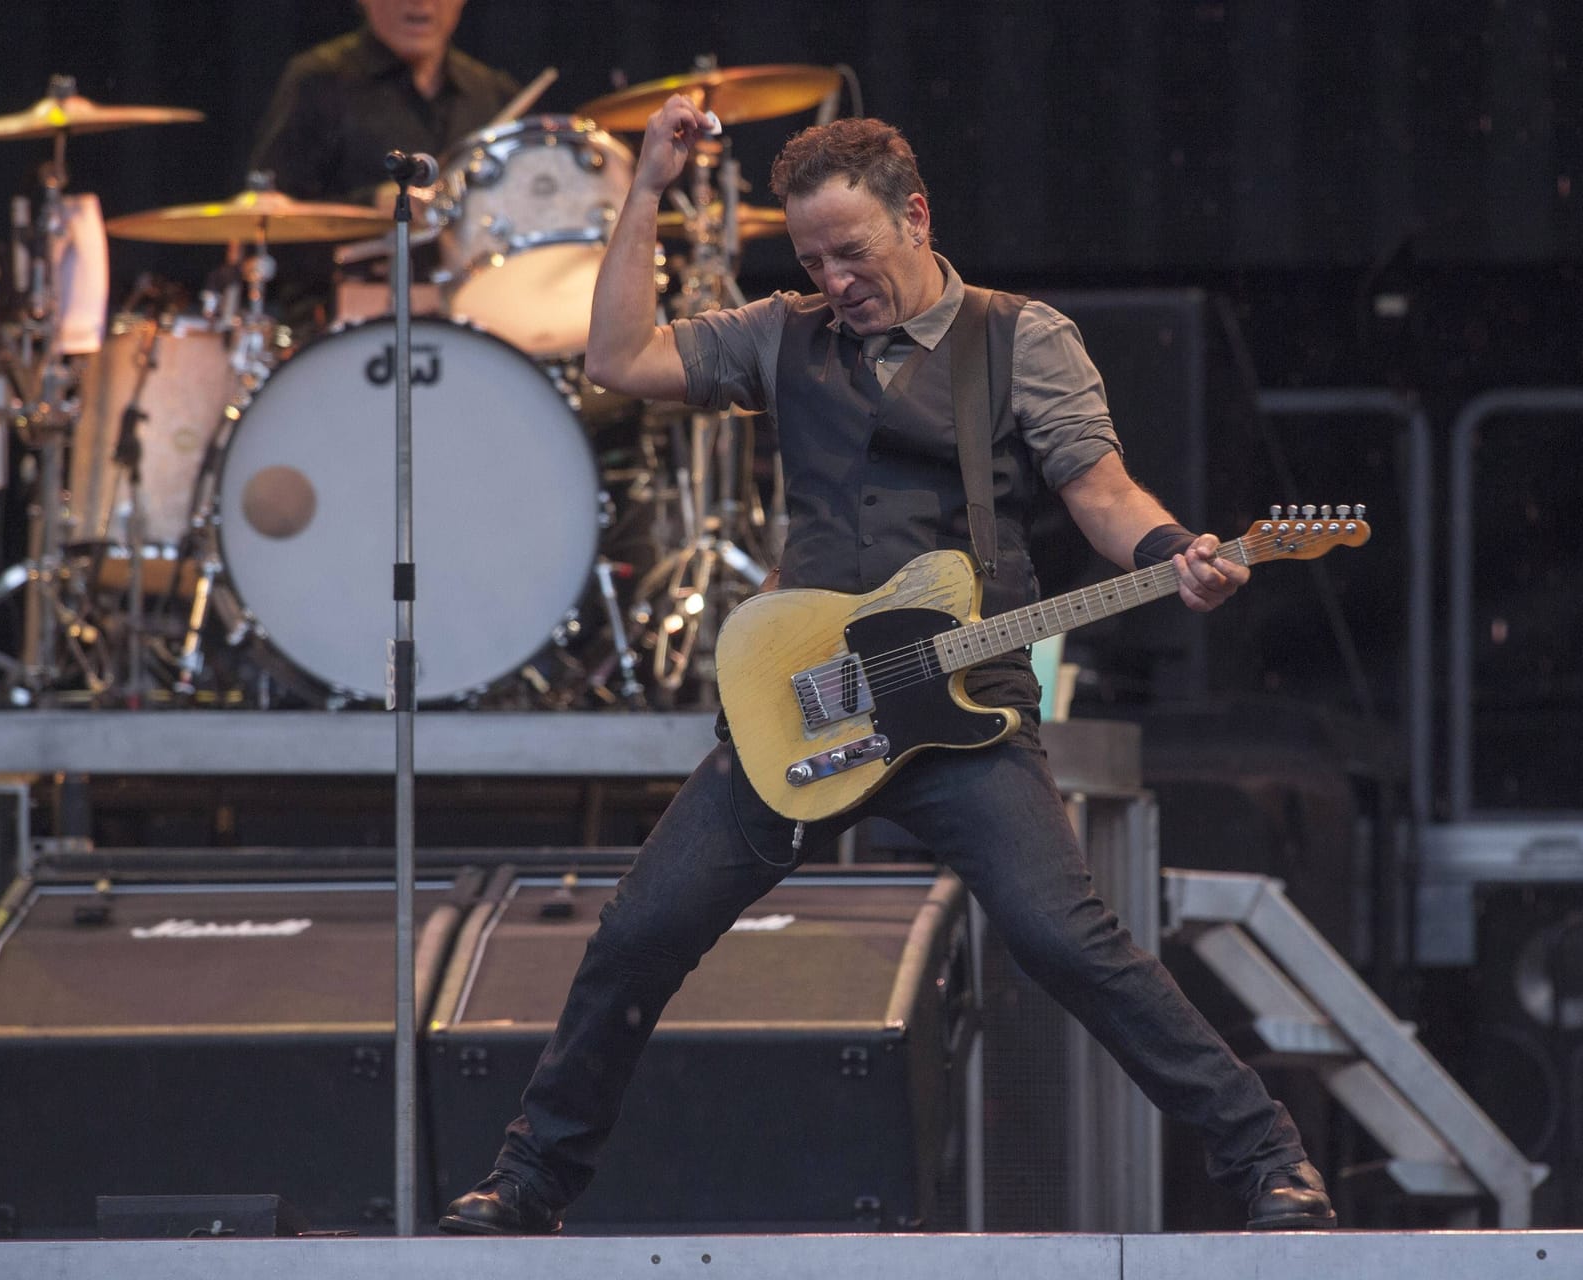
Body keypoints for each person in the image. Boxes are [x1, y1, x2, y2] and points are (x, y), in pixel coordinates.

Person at [437, 101, 1338, 1235]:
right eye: (811, 258)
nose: (834, 279)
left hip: (963, 702)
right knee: (639, 932)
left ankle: (1270, 1161)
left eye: (851, 253)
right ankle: (529, 1184)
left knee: (1068, 941)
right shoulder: (782, 333)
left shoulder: (1021, 338)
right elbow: (619, 357)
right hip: (807, 701)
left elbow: (1102, 494)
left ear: (916, 216)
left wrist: (1176, 555)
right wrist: (648, 190)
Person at [247, 0, 516, 207]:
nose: (419, 2)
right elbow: (270, 216)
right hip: (351, 276)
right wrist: (373, 205)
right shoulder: (319, 82)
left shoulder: (492, 92)